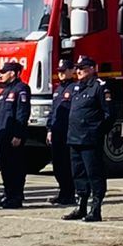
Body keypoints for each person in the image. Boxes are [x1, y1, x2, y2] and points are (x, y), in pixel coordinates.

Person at [62, 55, 110, 223]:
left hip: (90, 139)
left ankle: (95, 209)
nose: (79, 71)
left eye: (82, 68)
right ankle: (81, 206)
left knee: (94, 174)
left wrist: (97, 132)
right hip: (74, 138)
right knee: (78, 174)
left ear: (92, 69)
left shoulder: (99, 87)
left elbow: (108, 115)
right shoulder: (76, 88)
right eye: (78, 68)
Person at [0, 59, 32, 208]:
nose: (0, 75)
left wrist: (19, 135)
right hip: (3, 135)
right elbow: (0, 115)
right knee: (4, 166)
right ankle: (8, 193)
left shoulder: (22, 89)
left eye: (3, 73)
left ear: (12, 73)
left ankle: (16, 196)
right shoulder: (6, 90)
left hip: (13, 136)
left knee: (15, 167)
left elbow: (22, 113)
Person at [46, 57, 77, 207]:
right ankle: (62, 192)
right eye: (60, 72)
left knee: (67, 164)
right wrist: (49, 128)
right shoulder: (58, 89)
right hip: (57, 132)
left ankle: (70, 194)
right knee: (58, 165)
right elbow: (53, 112)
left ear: (72, 71)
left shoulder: (74, 88)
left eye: (64, 71)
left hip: (68, 132)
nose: (61, 74)